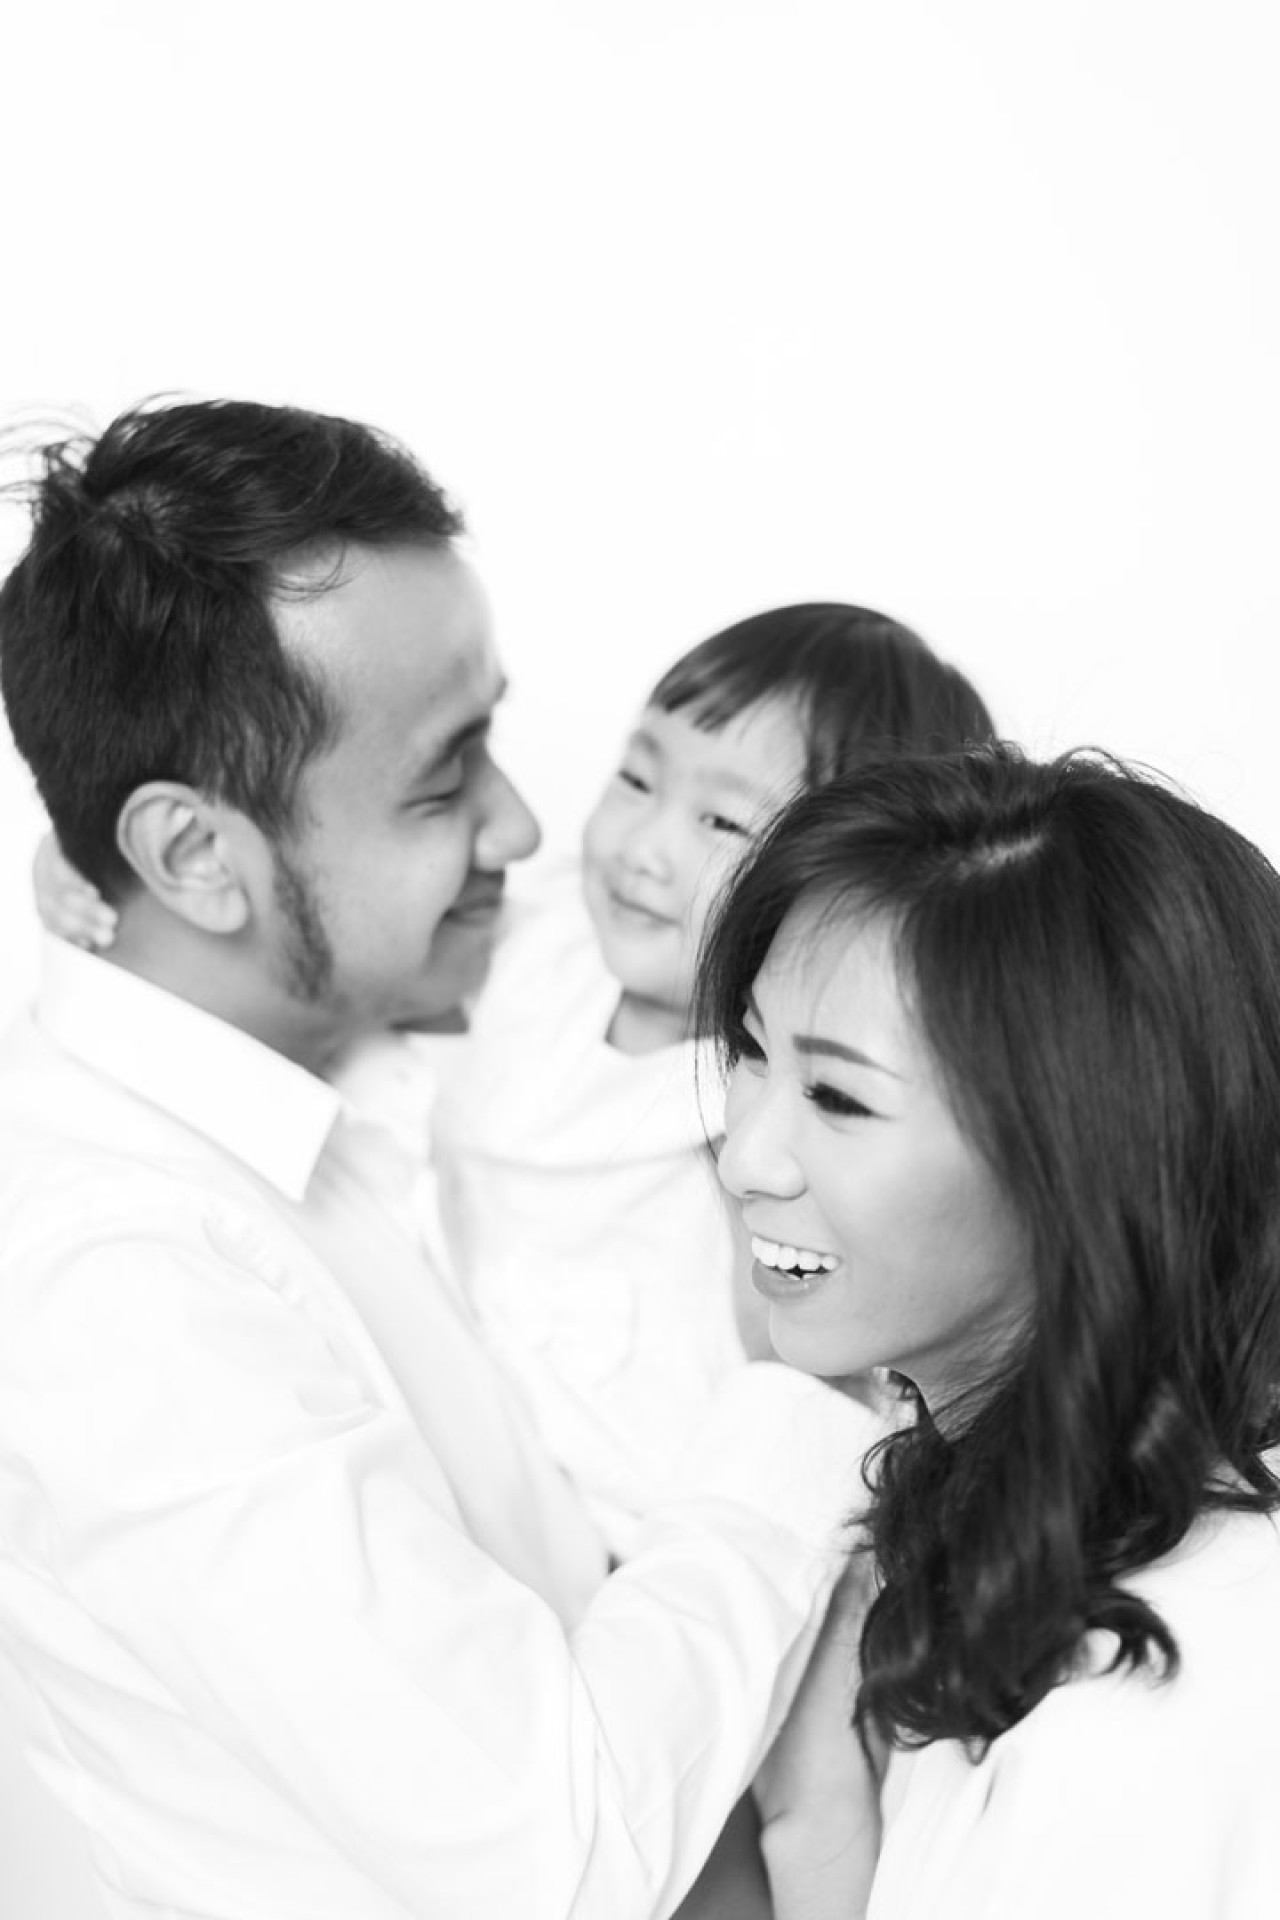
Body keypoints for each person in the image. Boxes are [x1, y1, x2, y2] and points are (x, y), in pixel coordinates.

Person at [0, 397, 876, 1920]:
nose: (526, 827)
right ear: (195, 858)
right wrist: (801, 1399)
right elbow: (558, 1852)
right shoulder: (117, 1295)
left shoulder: (305, 1067)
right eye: (441, 778)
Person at [36, 604, 995, 1559]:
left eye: (720, 819)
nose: (641, 845)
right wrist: (91, 870)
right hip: (474, 1468)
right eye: (636, 778)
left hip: (657, 1532)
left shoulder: (769, 1115)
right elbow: (334, 940)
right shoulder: (542, 948)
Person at [695, 744, 1280, 1918]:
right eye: (752, 1051)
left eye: (839, 1097)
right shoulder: (1028, 1520)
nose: (742, 1155)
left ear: (1091, 1159)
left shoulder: (1141, 1727)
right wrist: (822, 1822)